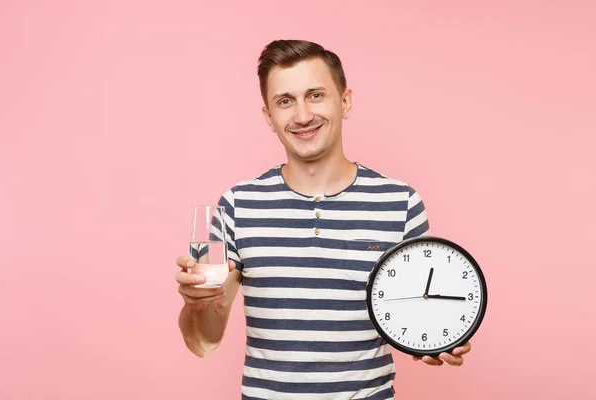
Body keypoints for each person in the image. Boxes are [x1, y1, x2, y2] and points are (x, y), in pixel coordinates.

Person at [175, 39, 472, 399]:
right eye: (285, 101)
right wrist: (196, 306)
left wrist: (438, 340)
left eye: (315, 95)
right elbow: (203, 341)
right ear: (269, 116)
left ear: (344, 102)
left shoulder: (401, 202)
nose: (302, 116)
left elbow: (416, 316)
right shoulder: (235, 204)